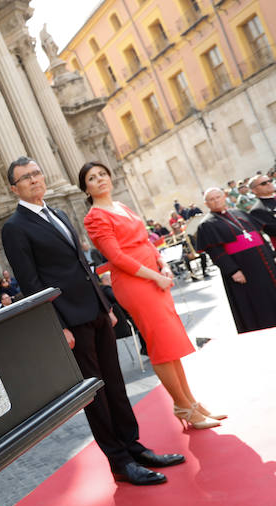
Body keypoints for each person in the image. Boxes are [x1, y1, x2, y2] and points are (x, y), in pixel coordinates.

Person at [1, 157, 185, 486]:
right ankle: (119, 461)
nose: (34, 180)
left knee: (115, 384)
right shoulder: (14, 227)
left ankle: (134, 447)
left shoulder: (56, 213)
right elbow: (31, 284)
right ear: (13, 188)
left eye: (37, 173)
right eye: (25, 178)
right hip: (71, 320)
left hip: (96, 311)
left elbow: (84, 267)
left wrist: (106, 306)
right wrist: (59, 327)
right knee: (96, 393)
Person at [80, 161, 225, 429]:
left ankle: (191, 402)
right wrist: (154, 275)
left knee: (172, 344)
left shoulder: (121, 206)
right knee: (160, 346)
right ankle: (182, 405)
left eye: (103, 173)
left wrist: (164, 264)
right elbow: (116, 257)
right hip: (136, 284)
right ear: (86, 188)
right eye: (92, 178)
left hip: (155, 276)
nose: (100, 179)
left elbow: (146, 240)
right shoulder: (95, 216)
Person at [196, 188, 276, 333]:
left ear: (224, 197)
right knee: (256, 302)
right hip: (243, 269)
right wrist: (233, 271)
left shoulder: (239, 213)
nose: (216, 201)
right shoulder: (207, 224)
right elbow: (215, 252)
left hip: (265, 263)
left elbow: (258, 236)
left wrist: (271, 255)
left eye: (218, 197)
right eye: (211, 199)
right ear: (206, 204)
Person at [247, 174, 276, 279]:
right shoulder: (258, 210)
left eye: (270, 181)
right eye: (264, 183)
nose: (269, 184)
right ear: (254, 190)